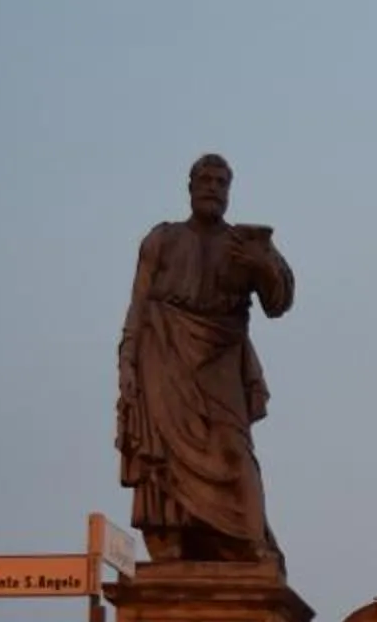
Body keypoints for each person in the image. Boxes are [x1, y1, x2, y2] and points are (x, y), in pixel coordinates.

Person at [117, 153, 295, 562]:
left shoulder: (245, 243)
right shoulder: (161, 239)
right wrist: (127, 360)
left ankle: (250, 540)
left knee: (233, 446)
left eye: (221, 182)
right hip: (163, 349)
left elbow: (279, 301)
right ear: (191, 186)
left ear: (229, 192)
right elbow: (138, 303)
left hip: (221, 356)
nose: (212, 188)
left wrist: (261, 265)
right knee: (165, 447)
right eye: (206, 180)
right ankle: (175, 535)